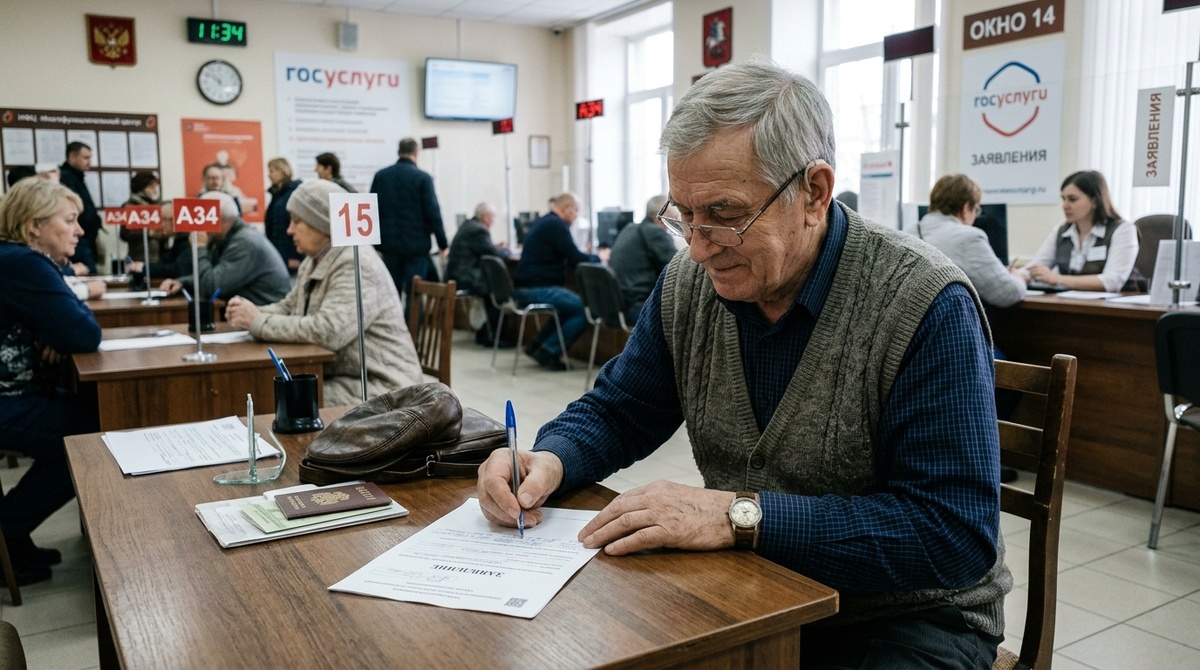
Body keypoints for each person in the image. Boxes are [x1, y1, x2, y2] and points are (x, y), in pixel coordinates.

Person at [477, 61, 1009, 668]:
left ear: (814, 192)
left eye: (726, 215)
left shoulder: (925, 302)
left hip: (906, 617)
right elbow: (623, 409)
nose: (699, 247)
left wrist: (739, 514)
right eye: (683, 216)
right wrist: (551, 458)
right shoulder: (691, 283)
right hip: (757, 585)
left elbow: (951, 532)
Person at [225, 180, 422, 405]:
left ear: (323, 224)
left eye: (297, 221)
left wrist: (258, 321)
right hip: (343, 376)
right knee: (272, 392)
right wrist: (250, 312)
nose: (289, 230)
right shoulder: (314, 259)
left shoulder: (356, 263)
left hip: (383, 386)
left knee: (281, 400)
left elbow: (328, 332)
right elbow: (291, 306)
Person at [0, 178, 102, 585]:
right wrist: (57, 330)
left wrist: (52, 330)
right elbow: (83, 334)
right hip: (7, 398)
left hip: (15, 391)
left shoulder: (13, 259)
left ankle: (14, 536)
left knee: (81, 417)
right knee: (89, 438)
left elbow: (66, 329)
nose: (80, 230)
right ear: (33, 227)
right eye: (70, 220)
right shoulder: (24, 262)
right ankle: (6, 532)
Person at [512, 192, 602, 371]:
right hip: (536, 287)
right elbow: (575, 257)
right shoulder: (556, 226)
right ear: (566, 208)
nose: (576, 215)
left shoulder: (545, 221)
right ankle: (549, 351)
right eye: (575, 210)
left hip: (525, 286)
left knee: (566, 307)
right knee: (584, 310)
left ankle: (537, 345)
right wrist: (599, 257)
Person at [914, 174, 1026, 309]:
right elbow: (1007, 293)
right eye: (976, 210)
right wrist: (1019, 277)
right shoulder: (969, 237)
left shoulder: (910, 231)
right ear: (966, 208)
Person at [159, 191, 290, 305]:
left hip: (266, 312)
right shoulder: (225, 237)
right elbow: (215, 275)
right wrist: (184, 282)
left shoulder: (244, 242)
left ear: (219, 220)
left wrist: (199, 247)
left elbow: (210, 287)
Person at [1024, 170, 1139, 292]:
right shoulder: (1062, 231)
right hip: (1072, 304)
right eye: (1063, 199)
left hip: (1115, 307)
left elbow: (1112, 281)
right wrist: (1018, 275)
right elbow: (1035, 268)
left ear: (1094, 201)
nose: (1065, 205)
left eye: (1072, 199)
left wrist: (1057, 279)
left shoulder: (1123, 230)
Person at [370, 138, 448, 307]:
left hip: (388, 246)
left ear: (398, 152)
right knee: (415, 295)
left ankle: (393, 331)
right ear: (416, 154)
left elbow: (371, 210)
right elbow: (433, 212)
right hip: (416, 248)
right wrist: (443, 244)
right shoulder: (423, 178)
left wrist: (374, 244)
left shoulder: (381, 176)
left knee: (390, 296)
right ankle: (412, 332)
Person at [445, 202, 512, 347]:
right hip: (465, 276)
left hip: (457, 274)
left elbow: (485, 248)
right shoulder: (478, 230)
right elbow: (493, 253)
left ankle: (486, 333)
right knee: (496, 292)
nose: (494, 220)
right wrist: (508, 251)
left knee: (493, 289)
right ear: (485, 216)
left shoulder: (469, 225)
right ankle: (491, 335)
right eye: (493, 217)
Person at [608, 194, 681, 324]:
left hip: (617, 306)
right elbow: (680, 268)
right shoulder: (656, 233)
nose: (676, 223)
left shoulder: (629, 228)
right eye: (674, 219)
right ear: (661, 217)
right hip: (638, 306)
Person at [59, 141, 101, 273]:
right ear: (72, 157)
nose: (89, 162)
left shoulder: (78, 177)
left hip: (85, 238)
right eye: (86, 158)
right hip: (78, 240)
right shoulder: (66, 178)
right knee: (89, 275)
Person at [265, 157, 303, 271]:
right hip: (278, 253)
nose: (269, 175)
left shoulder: (293, 194)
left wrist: (295, 255)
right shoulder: (277, 194)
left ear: (282, 171)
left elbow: (297, 224)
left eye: (272, 171)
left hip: (289, 255)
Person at [119, 171, 163, 262]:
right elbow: (124, 234)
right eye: (151, 187)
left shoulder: (157, 206)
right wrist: (148, 233)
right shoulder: (130, 206)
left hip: (159, 258)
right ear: (141, 187)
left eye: (156, 187)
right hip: (138, 257)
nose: (155, 190)